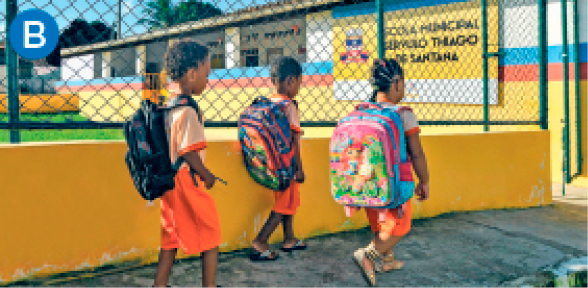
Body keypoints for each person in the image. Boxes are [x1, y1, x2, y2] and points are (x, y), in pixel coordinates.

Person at [353, 58, 430, 286]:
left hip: (367, 182)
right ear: (396, 83)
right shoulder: (403, 114)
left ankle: (385, 260)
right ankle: (368, 254)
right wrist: (424, 180)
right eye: (403, 82)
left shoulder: (362, 111)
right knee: (399, 227)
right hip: (396, 185)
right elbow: (416, 153)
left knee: (380, 224)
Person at [154, 39, 221, 287]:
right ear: (192, 74)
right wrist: (207, 175)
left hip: (168, 181)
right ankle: (209, 285)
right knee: (211, 232)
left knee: (170, 235)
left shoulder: (166, 106)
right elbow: (189, 152)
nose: (207, 80)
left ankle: (159, 284)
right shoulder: (188, 111)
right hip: (186, 181)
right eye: (206, 74)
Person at [250, 56, 307, 261]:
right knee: (284, 205)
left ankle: (289, 239)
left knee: (286, 202)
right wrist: (299, 168)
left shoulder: (267, 104)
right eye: (299, 83)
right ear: (291, 80)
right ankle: (260, 241)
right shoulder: (288, 106)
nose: (299, 88)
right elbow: (293, 140)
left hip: (271, 166)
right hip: (288, 166)